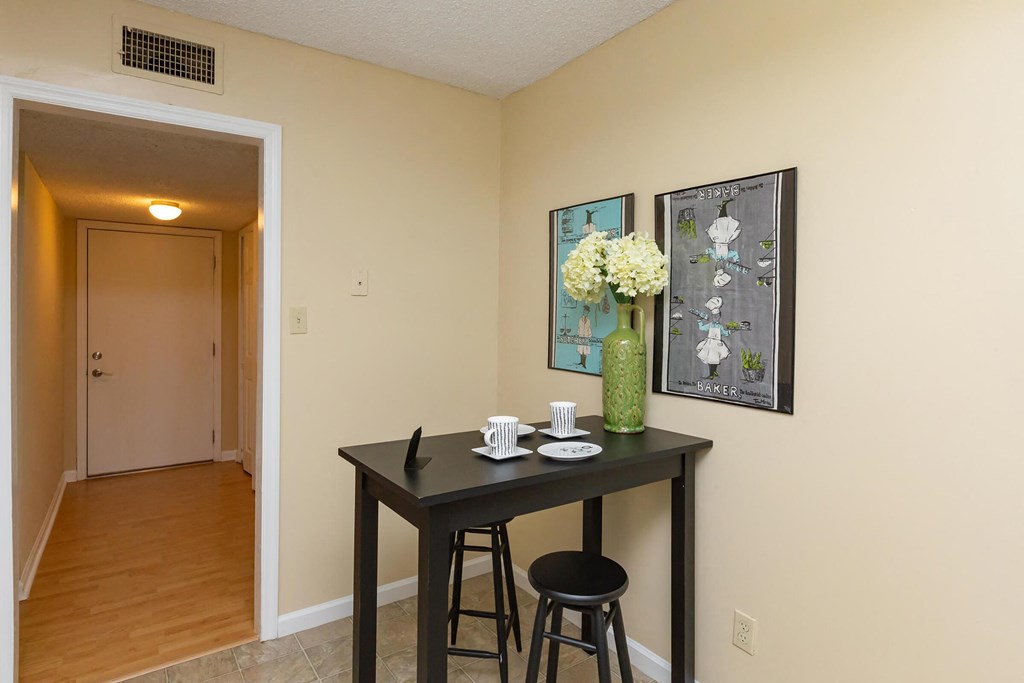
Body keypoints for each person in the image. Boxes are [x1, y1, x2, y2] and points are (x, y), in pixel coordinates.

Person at [695, 296, 732, 379]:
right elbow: (702, 328)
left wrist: (731, 331)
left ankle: (713, 373)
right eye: (714, 316)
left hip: (717, 343)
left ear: (719, 317)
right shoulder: (710, 325)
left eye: (717, 316)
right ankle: (712, 374)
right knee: (710, 359)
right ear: (712, 316)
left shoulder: (720, 326)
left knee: (715, 359)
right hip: (710, 343)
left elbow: (725, 333)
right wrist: (699, 321)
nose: (715, 318)